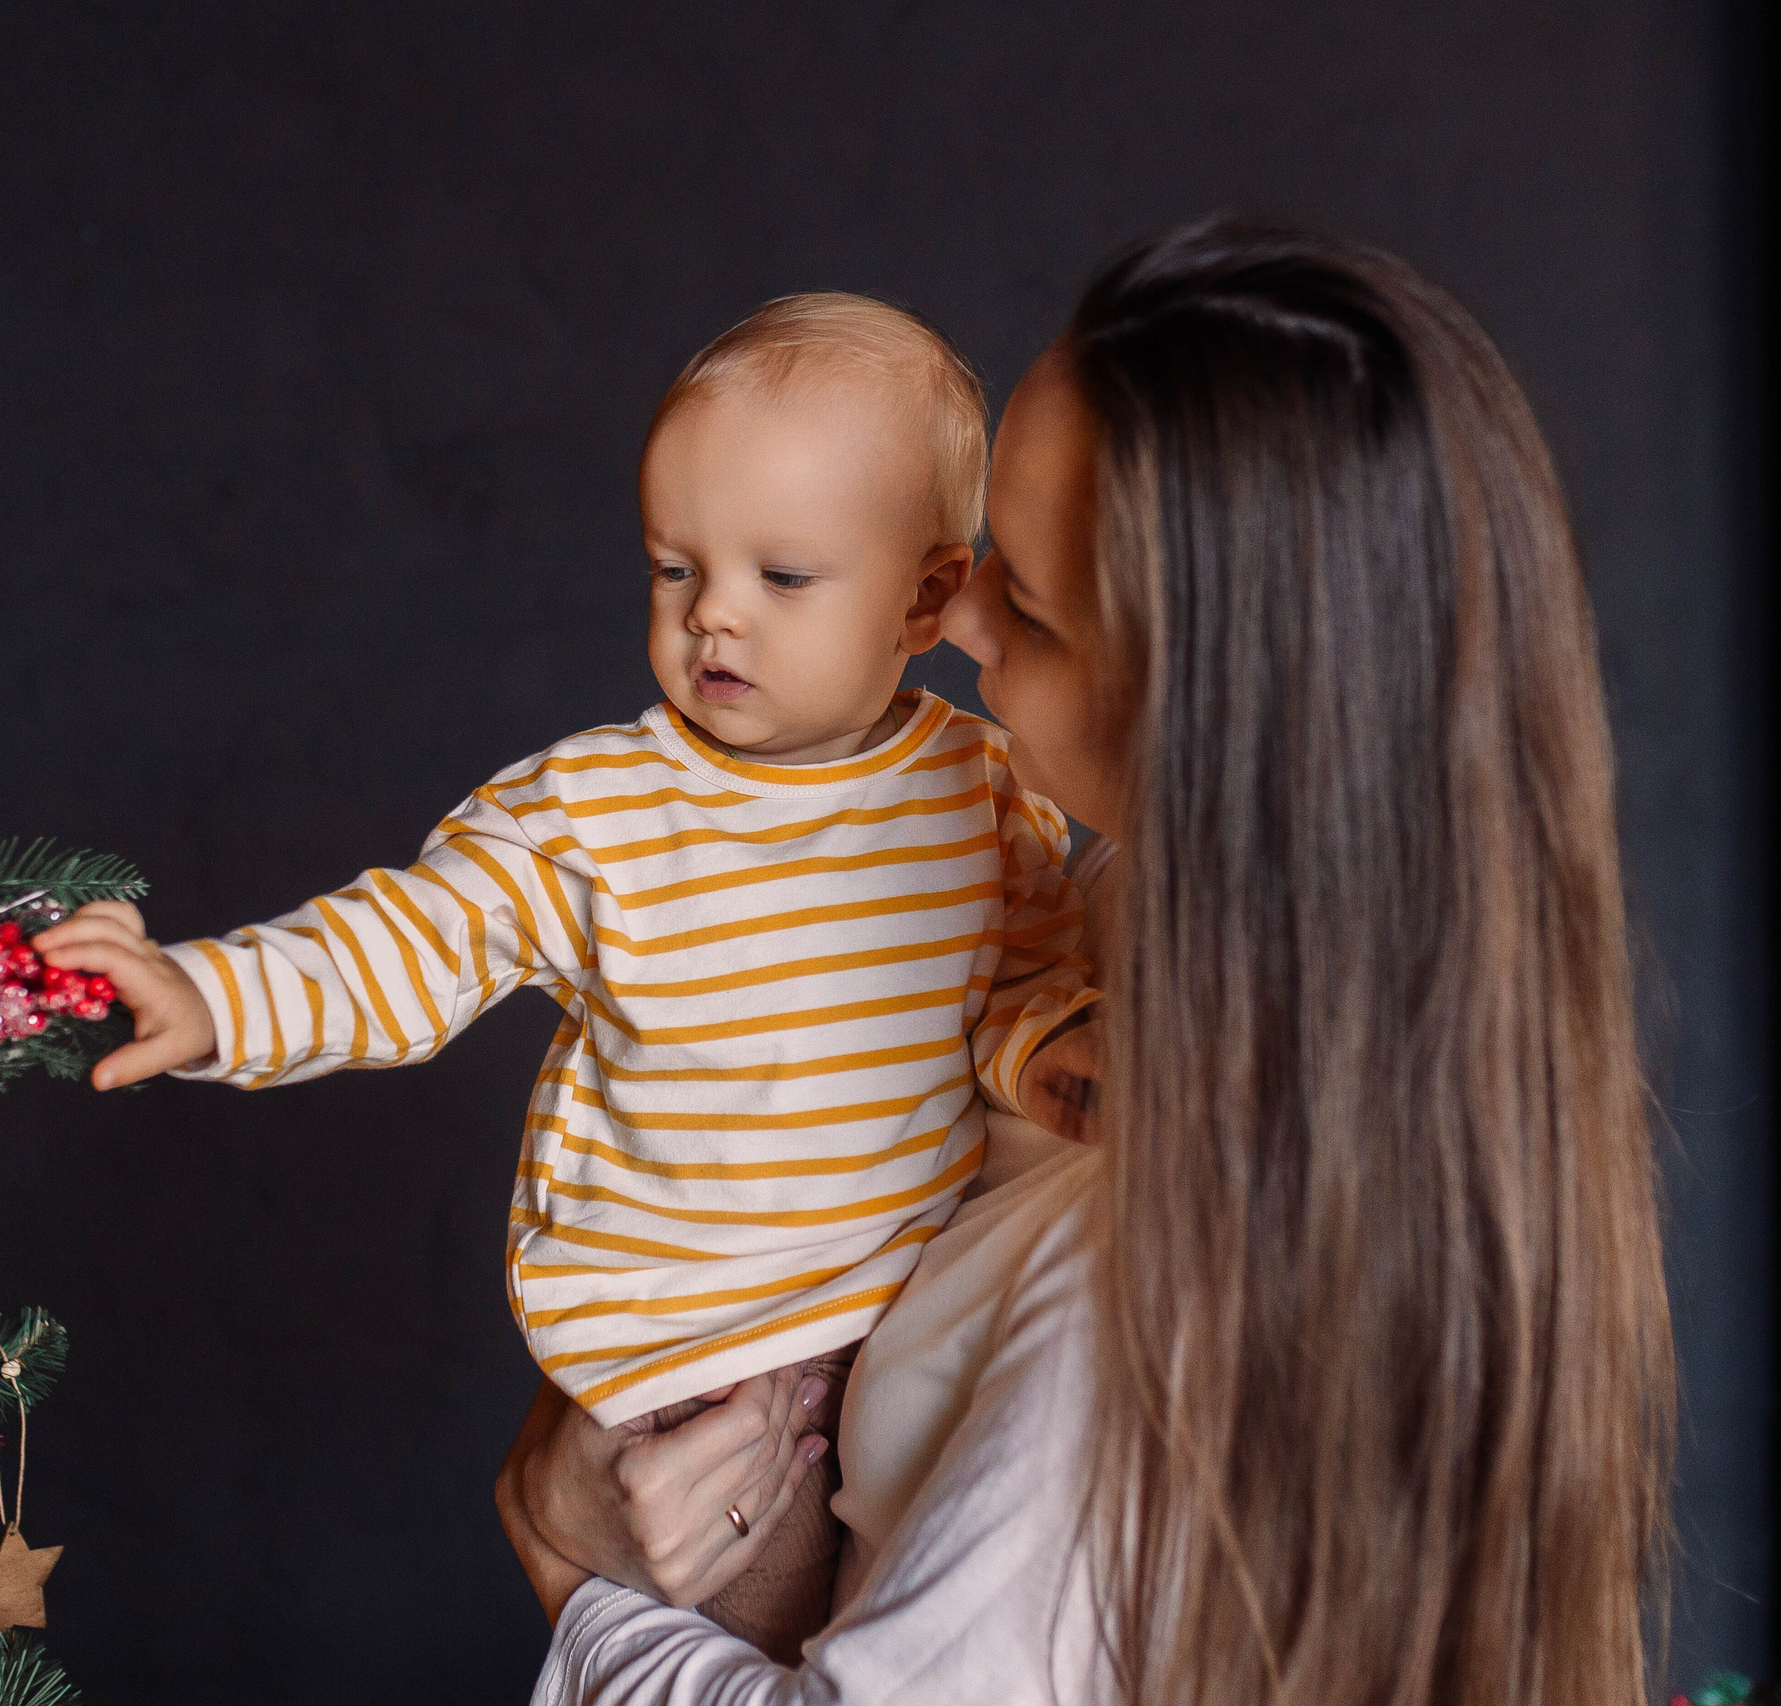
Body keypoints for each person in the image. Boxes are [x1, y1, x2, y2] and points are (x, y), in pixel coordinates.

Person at [495, 218, 1674, 1706]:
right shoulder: (1159, 953)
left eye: (1028, 607)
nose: (960, 607)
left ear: (1204, 727)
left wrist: (570, 1565)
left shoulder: (1153, 1273)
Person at [37, 294, 1103, 1653]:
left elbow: (1025, 983)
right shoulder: (596, 811)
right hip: (703, 1374)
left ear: (928, 595)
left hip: (897, 1322)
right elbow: (410, 941)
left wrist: (1071, 1062)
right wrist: (212, 997)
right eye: (675, 567)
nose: (713, 614)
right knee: (787, 1654)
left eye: (782, 576)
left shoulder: (975, 787)